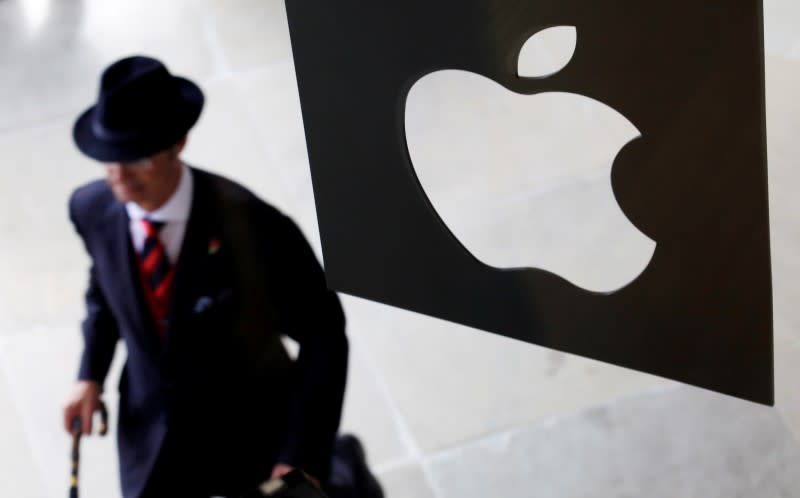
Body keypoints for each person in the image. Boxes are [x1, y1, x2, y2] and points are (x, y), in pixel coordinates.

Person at [62, 55, 382, 498]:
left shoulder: (255, 227)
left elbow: (325, 334)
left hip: (249, 428)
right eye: (109, 159)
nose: (119, 177)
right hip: (152, 435)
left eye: (135, 157)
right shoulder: (90, 209)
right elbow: (105, 291)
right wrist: (90, 374)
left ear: (179, 142)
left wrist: (301, 456)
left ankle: (346, 470)